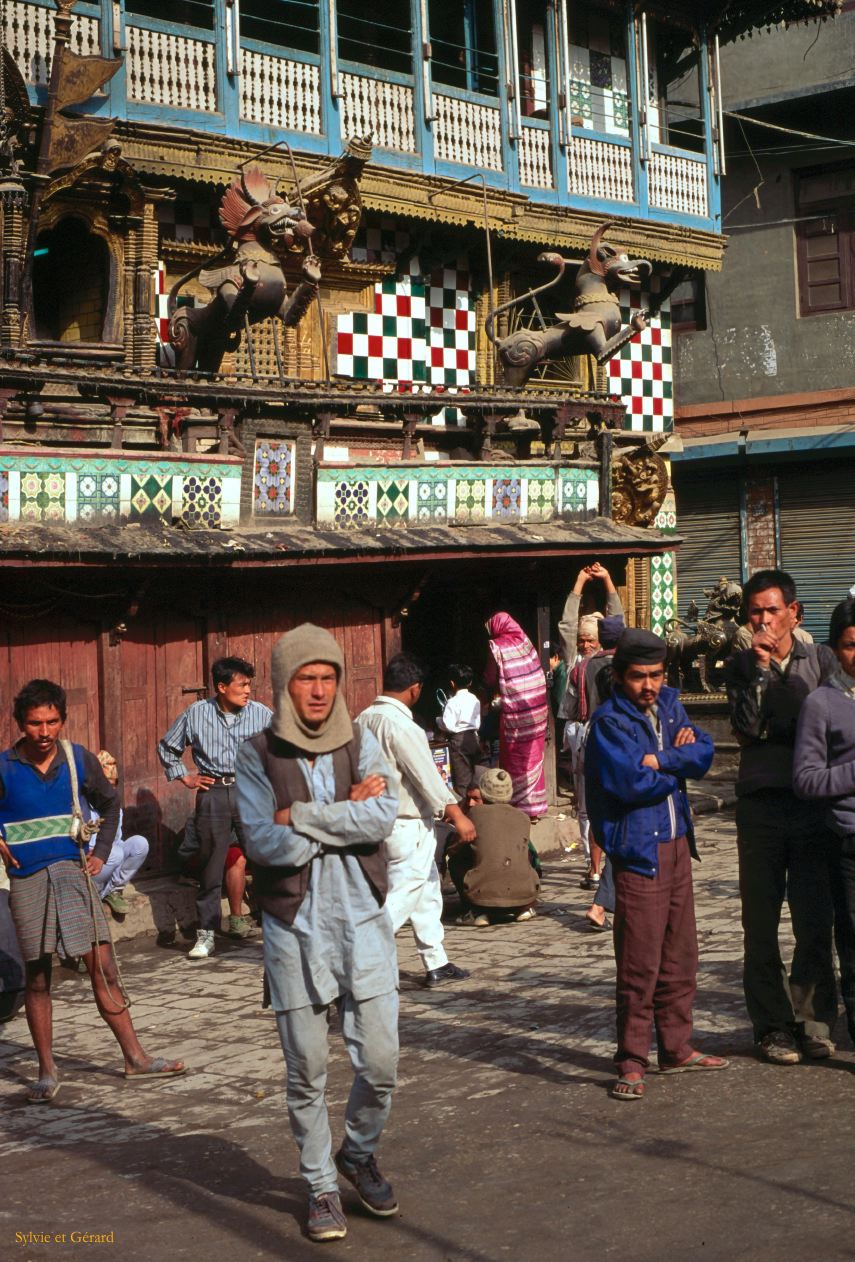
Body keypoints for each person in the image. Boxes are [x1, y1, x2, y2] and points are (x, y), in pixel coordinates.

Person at [235, 625, 400, 1243]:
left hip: (363, 919)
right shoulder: (256, 754)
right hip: (292, 928)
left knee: (381, 1061)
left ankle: (356, 1153)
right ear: (284, 683)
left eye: (329, 677)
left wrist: (300, 814)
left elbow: (383, 815)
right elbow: (262, 843)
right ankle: (321, 1187)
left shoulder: (361, 740)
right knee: (307, 1069)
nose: (319, 690)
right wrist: (345, 815)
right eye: (307, 677)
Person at [0, 679, 184, 1103]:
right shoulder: (5, 767)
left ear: (62, 721)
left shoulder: (76, 758)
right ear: (20, 724)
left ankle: (135, 1057)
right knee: (39, 977)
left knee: (104, 967)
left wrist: (101, 852)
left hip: (72, 874)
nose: (44, 732)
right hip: (27, 881)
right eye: (34, 723)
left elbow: (111, 803)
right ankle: (47, 1073)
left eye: (52, 722)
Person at [585, 630, 725, 1100]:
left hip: (678, 843)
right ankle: (631, 1059)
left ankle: (677, 1047)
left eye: (656, 675)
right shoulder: (609, 723)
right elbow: (628, 784)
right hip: (638, 850)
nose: (649, 684)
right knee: (639, 962)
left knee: (681, 955)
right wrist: (674, 766)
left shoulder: (670, 705)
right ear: (621, 677)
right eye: (639, 676)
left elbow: (703, 753)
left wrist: (661, 760)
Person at [724, 568, 837, 1064]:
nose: (764, 621)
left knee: (814, 918)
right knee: (761, 921)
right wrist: (763, 671)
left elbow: (824, 720)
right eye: (755, 612)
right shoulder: (739, 665)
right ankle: (772, 1026)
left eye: (773, 610)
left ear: (795, 612)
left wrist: (785, 698)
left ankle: (812, 1019)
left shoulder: (825, 659)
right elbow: (748, 729)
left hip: (813, 805)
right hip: (762, 803)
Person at [357, 653, 473, 988]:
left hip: (376, 817)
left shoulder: (362, 719)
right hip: (404, 820)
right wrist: (457, 814)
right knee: (404, 892)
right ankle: (358, 957)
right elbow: (427, 776)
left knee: (426, 890)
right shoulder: (402, 725)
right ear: (415, 689)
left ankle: (436, 961)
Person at [158, 656, 272, 959]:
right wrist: (184, 776)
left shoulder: (261, 714)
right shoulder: (196, 714)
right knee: (211, 866)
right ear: (222, 687)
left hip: (251, 793)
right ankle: (206, 934)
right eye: (242, 684)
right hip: (213, 793)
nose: (248, 690)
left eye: (249, 684)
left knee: (264, 860)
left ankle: (277, 930)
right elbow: (167, 747)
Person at [793, 596, 855, 1048]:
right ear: (835, 649)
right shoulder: (822, 703)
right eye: (852, 645)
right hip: (848, 839)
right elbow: (807, 779)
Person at [559, 564, 624, 868]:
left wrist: (609, 580)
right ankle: (592, 862)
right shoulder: (575, 661)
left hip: (607, 733)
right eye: (582, 640)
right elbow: (567, 626)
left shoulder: (613, 660)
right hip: (580, 733)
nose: (585, 644)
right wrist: (579, 582)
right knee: (584, 803)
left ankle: (608, 859)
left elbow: (617, 622)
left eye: (590, 640)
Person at [447, 767, 539, 926]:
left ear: (483, 791)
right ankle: (523, 908)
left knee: (455, 861)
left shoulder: (474, 815)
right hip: (525, 896)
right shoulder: (523, 818)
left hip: (483, 898)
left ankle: (475, 910)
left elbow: (452, 849)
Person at [485, 613, 549, 819]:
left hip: (516, 715)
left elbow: (490, 677)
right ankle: (534, 808)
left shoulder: (497, 646)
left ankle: (517, 806)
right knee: (532, 757)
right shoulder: (526, 643)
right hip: (537, 713)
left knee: (515, 757)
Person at [82, 750, 150, 918]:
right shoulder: (83, 807)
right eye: (106, 786)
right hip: (89, 865)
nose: (110, 791)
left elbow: (117, 839)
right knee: (114, 854)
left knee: (140, 844)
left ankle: (113, 890)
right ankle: (93, 893)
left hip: (110, 860)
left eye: (113, 786)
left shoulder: (113, 807)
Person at [437, 664, 483, 797]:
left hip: (459, 741)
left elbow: (449, 725)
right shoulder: (475, 699)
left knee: (462, 780)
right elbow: (477, 722)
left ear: (452, 683)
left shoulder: (453, 702)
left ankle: (464, 812)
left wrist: (438, 720)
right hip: (474, 738)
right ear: (470, 682)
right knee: (475, 777)